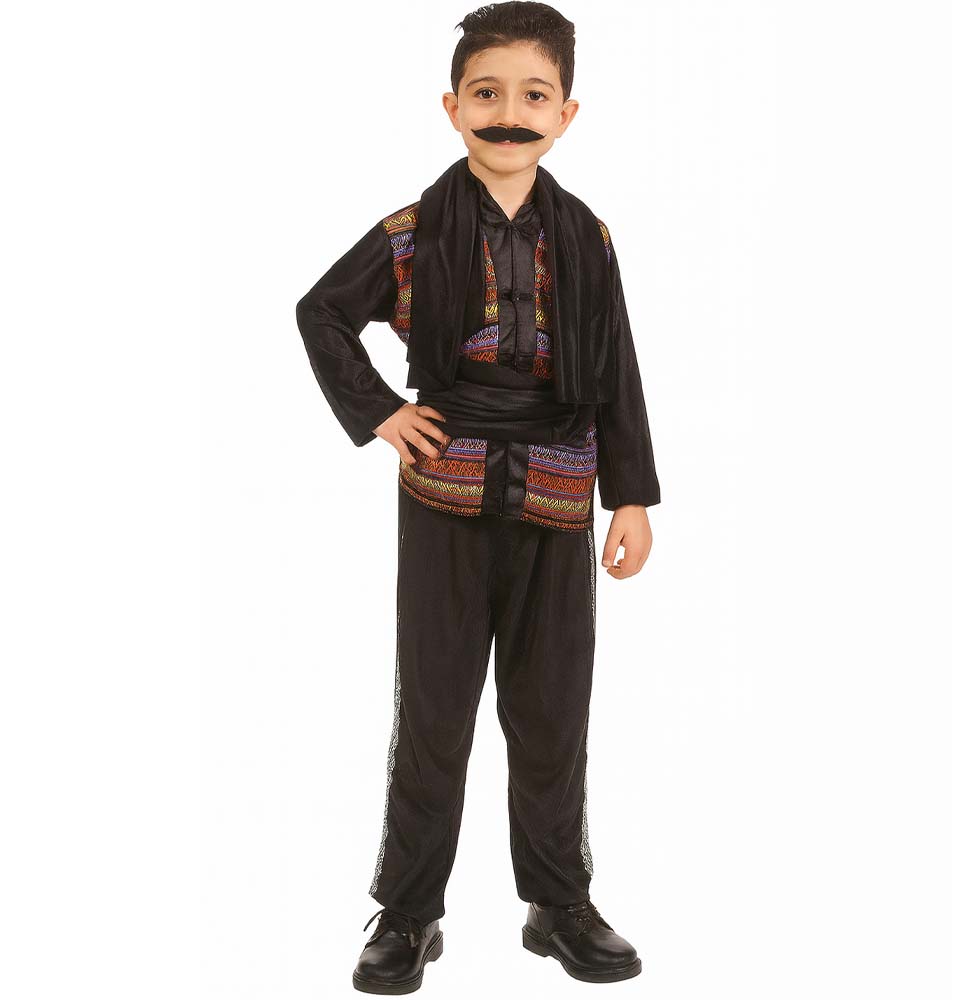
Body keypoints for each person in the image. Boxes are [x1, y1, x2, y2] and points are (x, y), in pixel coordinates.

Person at [295, 2, 660, 991]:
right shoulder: (412, 234)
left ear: (566, 113)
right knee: (436, 710)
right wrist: (380, 410)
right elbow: (322, 313)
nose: (509, 113)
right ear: (452, 106)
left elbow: (615, 369)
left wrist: (630, 497)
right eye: (487, 93)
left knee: (552, 712)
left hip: (558, 490)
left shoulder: (587, 237)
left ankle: (558, 901)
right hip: (445, 491)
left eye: (533, 95)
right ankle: (408, 911)